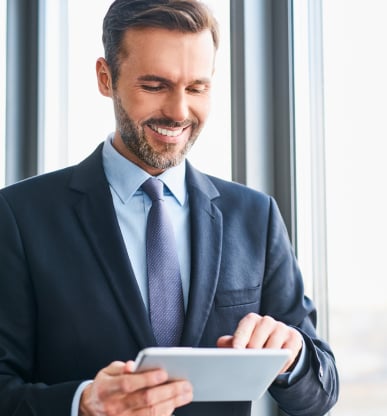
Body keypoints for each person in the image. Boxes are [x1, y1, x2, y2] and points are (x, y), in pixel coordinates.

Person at [0, 1, 339, 415]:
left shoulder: (254, 217)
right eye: (155, 86)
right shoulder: (19, 216)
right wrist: (81, 404)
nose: (179, 112)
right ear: (106, 78)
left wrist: (293, 354)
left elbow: (320, 392)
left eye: (197, 87)